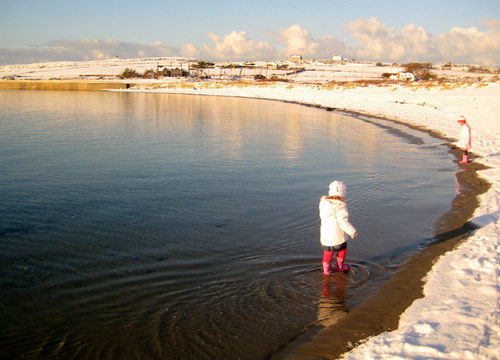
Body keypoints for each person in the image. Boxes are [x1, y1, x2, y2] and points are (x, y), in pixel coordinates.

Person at [319, 181, 358, 275]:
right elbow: (343, 222)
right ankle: (340, 266)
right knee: (342, 250)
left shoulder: (323, 204)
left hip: (326, 235)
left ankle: (326, 270)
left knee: (327, 253)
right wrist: (352, 232)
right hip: (338, 236)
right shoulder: (340, 206)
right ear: (343, 193)